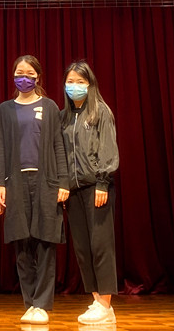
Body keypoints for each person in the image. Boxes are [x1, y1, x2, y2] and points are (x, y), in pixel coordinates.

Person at [0, 55, 69, 325]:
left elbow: (58, 145)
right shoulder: (5, 109)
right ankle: (30, 304)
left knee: (45, 243)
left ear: (38, 76)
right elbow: (2, 148)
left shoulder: (49, 107)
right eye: (19, 73)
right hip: (16, 182)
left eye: (28, 73)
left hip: (46, 182)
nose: (23, 77)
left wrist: (63, 182)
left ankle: (42, 304)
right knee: (22, 244)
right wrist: (0, 183)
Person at [60, 61, 119, 326]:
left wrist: (102, 183)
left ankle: (106, 304)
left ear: (90, 84)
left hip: (96, 188)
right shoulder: (64, 117)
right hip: (73, 191)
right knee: (83, 249)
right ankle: (96, 300)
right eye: (70, 82)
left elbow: (108, 149)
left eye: (80, 82)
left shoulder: (100, 112)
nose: (75, 86)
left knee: (100, 246)